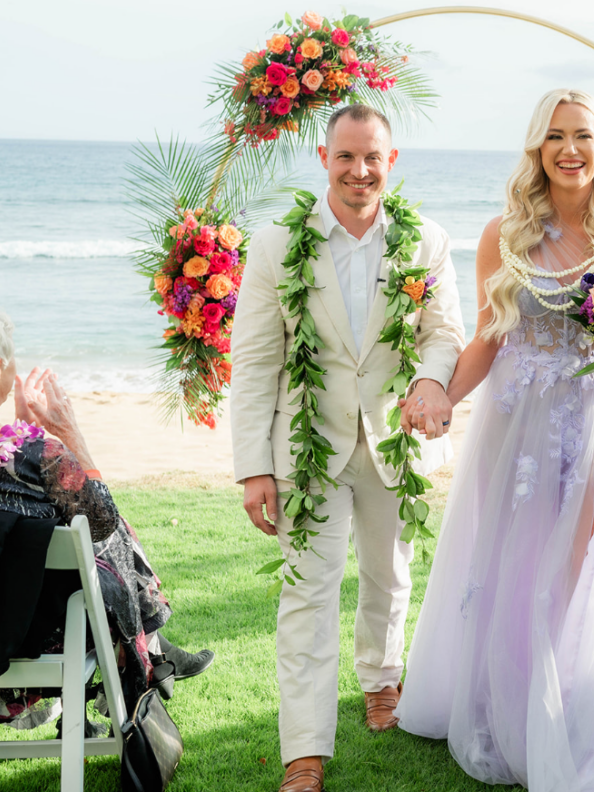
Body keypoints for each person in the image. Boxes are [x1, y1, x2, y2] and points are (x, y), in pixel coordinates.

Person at [395, 89, 594, 791]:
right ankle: (510, 709)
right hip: (515, 424)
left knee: (580, 566)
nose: (569, 148)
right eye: (554, 136)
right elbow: (492, 338)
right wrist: (442, 395)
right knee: (515, 563)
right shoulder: (504, 234)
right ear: (537, 149)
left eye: (582, 135)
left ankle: (574, 710)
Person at [230, 103, 465, 792]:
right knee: (307, 589)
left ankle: (380, 679)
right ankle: (304, 750)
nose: (360, 171)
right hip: (306, 445)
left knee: (389, 573)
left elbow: (444, 333)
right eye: (346, 157)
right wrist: (254, 468)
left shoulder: (427, 241)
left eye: (373, 158)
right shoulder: (278, 243)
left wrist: (428, 380)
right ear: (324, 158)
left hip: (393, 438)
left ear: (391, 162)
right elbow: (254, 361)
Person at [0, 300, 212, 738]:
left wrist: (20, 432)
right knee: (103, 546)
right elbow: (105, 528)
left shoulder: (28, 453)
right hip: (29, 635)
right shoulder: (40, 456)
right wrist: (67, 435)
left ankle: (158, 651)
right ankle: (154, 648)